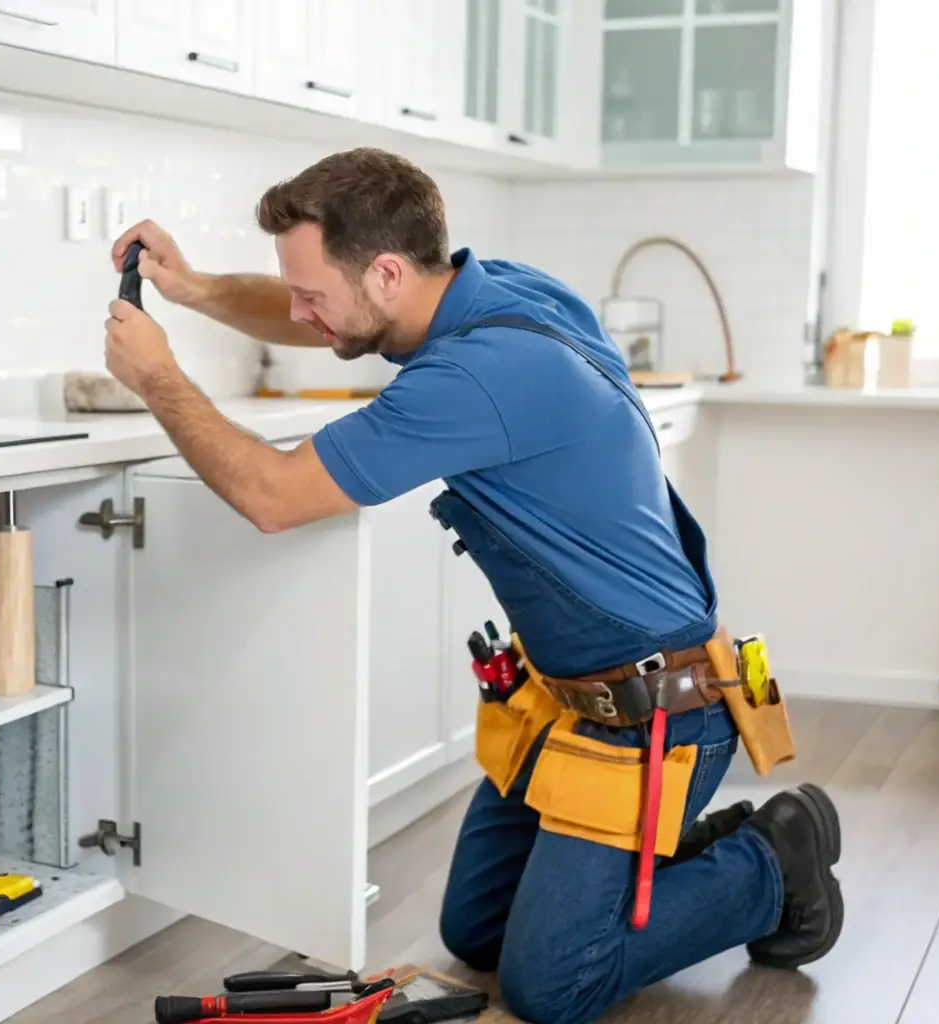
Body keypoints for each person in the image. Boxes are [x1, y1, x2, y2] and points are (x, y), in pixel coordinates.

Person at [102, 147, 843, 1024]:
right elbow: (332, 319)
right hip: (570, 698)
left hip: (657, 717)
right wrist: (192, 290)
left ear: (384, 271)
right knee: (476, 934)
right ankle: (677, 859)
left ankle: (770, 860)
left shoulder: (474, 378)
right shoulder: (493, 291)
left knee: (551, 986)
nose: (301, 314)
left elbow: (270, 497)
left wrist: (157, 376)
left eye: (312, 291)